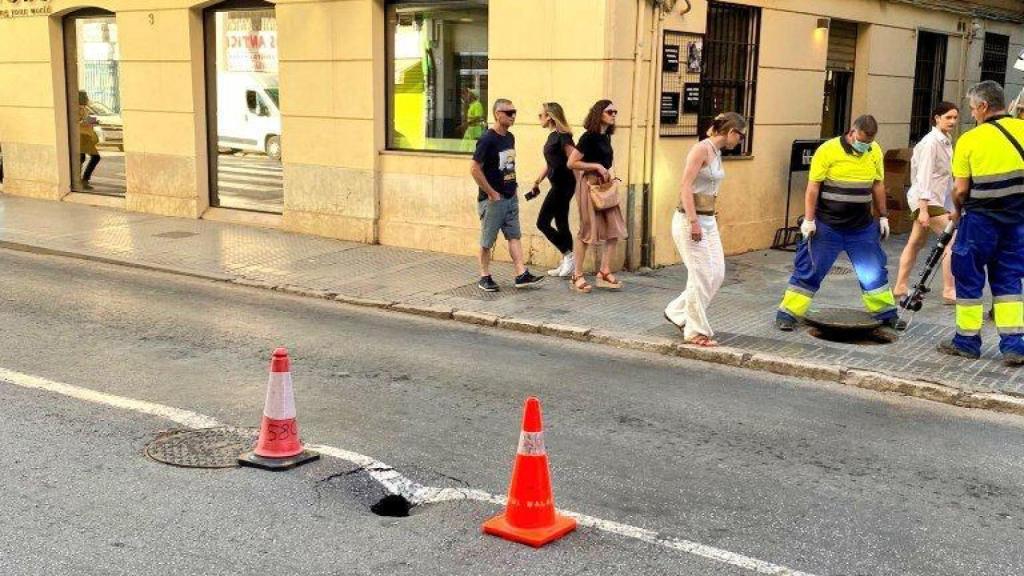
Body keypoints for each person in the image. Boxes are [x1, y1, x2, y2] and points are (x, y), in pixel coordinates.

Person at [775, 115, 897, 331]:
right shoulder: (828, 150)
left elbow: (878, 184)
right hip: (827, 226)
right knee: (810, 268)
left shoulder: (874, 150)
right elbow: (813, 187)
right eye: (862, 141)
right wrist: (809, 220)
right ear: (852, 132)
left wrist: (884, 215)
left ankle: (886, 313)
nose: (865, 146)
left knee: (874, 272)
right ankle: (788, 314)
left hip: (861, 227)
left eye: (869, 142)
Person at [938, 81, 1024, 366]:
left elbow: (960, 189)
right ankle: (1014, 346)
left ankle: (966, 342)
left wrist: (956, 211)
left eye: (973, 108)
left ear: (984, 106)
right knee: (1009, 281)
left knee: (968, 278)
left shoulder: (970, 140)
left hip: (980, 223)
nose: (972, 114)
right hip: (1016, 223)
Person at [663, 113, 747, 347]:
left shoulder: (717, 152)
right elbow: (685, 186)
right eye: (741, 136)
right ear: (731, 132)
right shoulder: (701, 149)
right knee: (700, 275)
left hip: (708, 220)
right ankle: (695, 331)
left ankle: (676, 311)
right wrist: (693, 222)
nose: (740, 141)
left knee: (716, 273)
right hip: (690, 220)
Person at [470, 98, 543, 292]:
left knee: (514, 235)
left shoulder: (510, 137)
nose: (513, 116)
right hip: (493, 200)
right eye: (509, 113)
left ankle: (521, 274)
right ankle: (484, 276)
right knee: (487, 240)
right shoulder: (487, 139)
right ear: (497, 114)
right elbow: (475, 169)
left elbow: (508, 166)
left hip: (510, 196)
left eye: (514, 112)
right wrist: (491, 193)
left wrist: (513, 187)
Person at [893, 102, 959, 304]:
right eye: (948, 117)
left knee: (916, 242)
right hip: (927, 199)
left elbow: (945, 178)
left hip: (932, 199)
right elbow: (924, 177)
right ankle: (949, 290)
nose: (952, 121)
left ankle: (900, 285)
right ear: (937, 118)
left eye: (955, 118)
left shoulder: (944, 140)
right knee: (951, 240)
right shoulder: (931, 142)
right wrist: (923, 209)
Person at [567, 99, 628, 293]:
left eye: (615, 112)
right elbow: (571, 162)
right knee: (587, 230)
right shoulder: (589, 137)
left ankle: (604, 271)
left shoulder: (605, 136)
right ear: (599, 113)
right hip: (589, 185)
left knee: (614, 229)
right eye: (610, 112)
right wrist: (596, 166)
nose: (614, 115)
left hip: (605, 186)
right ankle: (577, 275)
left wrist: (605, 170)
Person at [530, 102, 577, 277]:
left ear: (549, 116)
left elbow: (575, 160)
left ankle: (569, 255)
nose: (539, 119)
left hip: (564, 185)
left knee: (542, 222)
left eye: (540, 115)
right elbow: (550, 162)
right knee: (561, 222)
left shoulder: (564, 137)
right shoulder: (552, 136)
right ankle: (567, 260)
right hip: (557, 184)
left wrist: (581, 185)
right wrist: (538, 180)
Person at [78, 91, 101, 191]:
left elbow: (86, 120)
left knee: (82, 158)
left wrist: (93, 121)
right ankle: (83, 180)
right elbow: (77, 122)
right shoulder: (77, 109)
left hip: (86, 136)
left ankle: (81, 180)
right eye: (86, 96)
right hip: (82, 136)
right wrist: (86, 122)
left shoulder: (84, 108)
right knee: (94, 157)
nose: (87, 98)